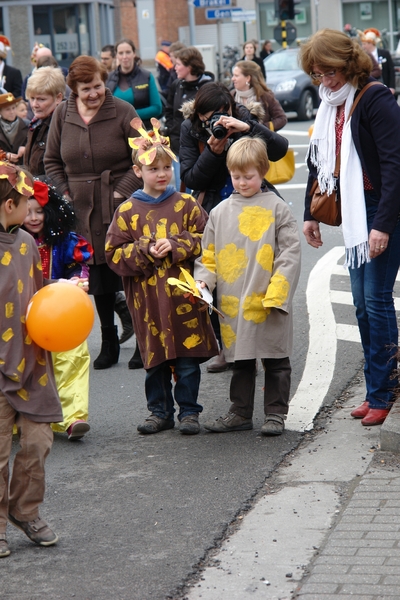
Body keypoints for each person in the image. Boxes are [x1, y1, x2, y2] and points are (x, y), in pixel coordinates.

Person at [299, 28, 400, 427]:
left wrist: (384, 224)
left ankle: (384, 391)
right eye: (318, 74)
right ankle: (377, 386)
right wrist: (310, 212)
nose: (325, 81)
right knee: (361, 304)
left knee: (375, 300)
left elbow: (394, 165)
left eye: (330, 72)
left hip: (378, 211)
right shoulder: (330, 104)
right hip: (354, 208)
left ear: (348, 63)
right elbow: (319, 161)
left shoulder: (375, 98)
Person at [105, 118, 218, 435]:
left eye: (166, 168)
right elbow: (113, 253)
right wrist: (143, 250)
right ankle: (159, 412)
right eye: (154, 169)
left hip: (183, 297)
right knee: (153, 360)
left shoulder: (186, 204)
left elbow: (207, 242)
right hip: (147, 301)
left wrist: (178, 244)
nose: (162, 174)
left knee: (186, 359)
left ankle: (189, 412)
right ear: (138, 172)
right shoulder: (127, 211)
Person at [194, 137, 301, 435]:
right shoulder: (219, 212)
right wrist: (203, 281)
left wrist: (278, 291)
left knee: (276, 358)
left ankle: (276, 414)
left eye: (248, 176)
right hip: (233, 299)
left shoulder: (277, 208)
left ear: (263, 171)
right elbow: (209, 255)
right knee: (240, 359)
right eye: (236, 176)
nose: (241, 182)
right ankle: (240, 412)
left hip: (268, 296)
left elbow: (289, 254)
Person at [179, 81, 289, 372]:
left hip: (256, 202)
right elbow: (191, 178)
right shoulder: (190, 128)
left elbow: (279, 149)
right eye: (208, 118)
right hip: (218, 205)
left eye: (220, 114)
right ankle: (225, 346)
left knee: (259, 272)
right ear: (199, 117)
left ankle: (264, 342)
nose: (216, 121)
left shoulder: (244, 116)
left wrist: (247, 127)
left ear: (229, 107)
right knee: (222, 277)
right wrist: (213, 153)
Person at [44, 55, 143, 370]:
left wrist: (120, 191)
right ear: (73, 88)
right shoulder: (62, 114)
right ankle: (109, 341)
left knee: (128, 274)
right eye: (86, 88)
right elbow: (51, 161)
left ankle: (142, 340)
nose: (93, 93)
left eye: (98, 86)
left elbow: (144, 155)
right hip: (80, 208)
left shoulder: (123, 111)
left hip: (119, 207)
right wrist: (67, 193)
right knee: (97, 278)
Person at [0, 159, 62, 557]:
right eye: (26, 201)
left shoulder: (24, 242)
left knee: (38, 441)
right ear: (9, 205)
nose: (32, 209)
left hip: (31, 360)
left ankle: (25, 510)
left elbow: (37, 298)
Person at [23, 179, 93, 440]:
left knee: (73, 356)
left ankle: (74, 417)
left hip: (61, 314)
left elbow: (78, 266)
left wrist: (78, 279)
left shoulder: (64, 241)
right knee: (27, 366)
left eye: (39, 211)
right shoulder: (11, 241)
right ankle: (27, 416)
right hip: (21, 314)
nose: (33, 218)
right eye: (27, 211)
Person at [165, 46, 214, 185]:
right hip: (178, 144)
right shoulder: (176, 85)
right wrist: (172, 128)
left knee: (201, 184)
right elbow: (169, 110)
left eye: (179, 64)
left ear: (190, 67)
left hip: (201, 145)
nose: (175, 67)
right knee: (181, 187)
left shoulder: (208, 87)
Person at [106, 39, 163, 128]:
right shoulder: (109, 78)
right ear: (116, 55)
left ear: (134, 53)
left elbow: (157, 108)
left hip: (144, 130)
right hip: (117, 130)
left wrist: (130, 115)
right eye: (121, 53)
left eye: (128, 52)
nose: (124, 56)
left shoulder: (146, 76)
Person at [24, 66, 65, 177]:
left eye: (41, 99)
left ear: (58, 98)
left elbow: (63, 173)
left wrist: (33, 183)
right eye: (32, 98)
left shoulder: (64, 125)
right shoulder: (36, 123)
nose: (34, 105)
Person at [231, 60, 287, 131]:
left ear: (248, 78)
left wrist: (261, 128)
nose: (232, 79)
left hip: (260, 140)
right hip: (238, 141)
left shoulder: (265, 96)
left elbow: (282, 119)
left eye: (236, 75)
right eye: (233, 75)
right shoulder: (231, 96)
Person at [361, 29, 395, 94]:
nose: (363, 46)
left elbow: (391, 70)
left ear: (370, 43)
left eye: (364, 44)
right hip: (370, 87)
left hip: (385, 84)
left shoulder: (384, 53)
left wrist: (392, 87)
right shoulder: (363, 56)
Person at [0, 93, 28, 165]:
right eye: (7, 109)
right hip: (3, 168)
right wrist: (5, 155)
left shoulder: (27, 124)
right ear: (0, 111)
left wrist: (26, 147)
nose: (12, 112)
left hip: (24, 167)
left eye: (13, 108)